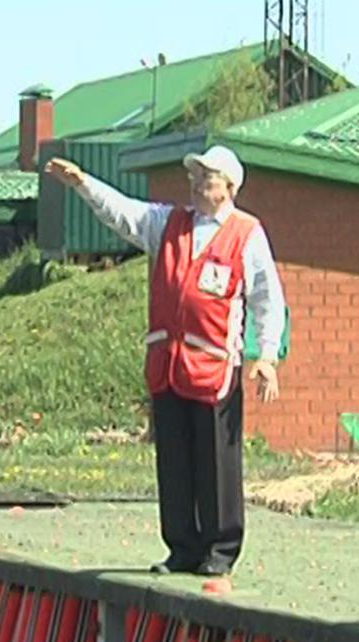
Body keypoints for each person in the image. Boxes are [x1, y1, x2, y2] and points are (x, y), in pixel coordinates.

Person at [45, 145, 286, 578]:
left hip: (215, 366)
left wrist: (266, 355)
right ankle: (182, 547)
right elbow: (124, 213)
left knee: (217, 462)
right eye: (194, 176)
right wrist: (83, 184)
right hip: (169, 364)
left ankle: (220, 548)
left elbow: (269, 298)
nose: (196, 184)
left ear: (230, 187)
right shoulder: (169, 222)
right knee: (173, 461)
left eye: (207, 178)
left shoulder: (247, 233)